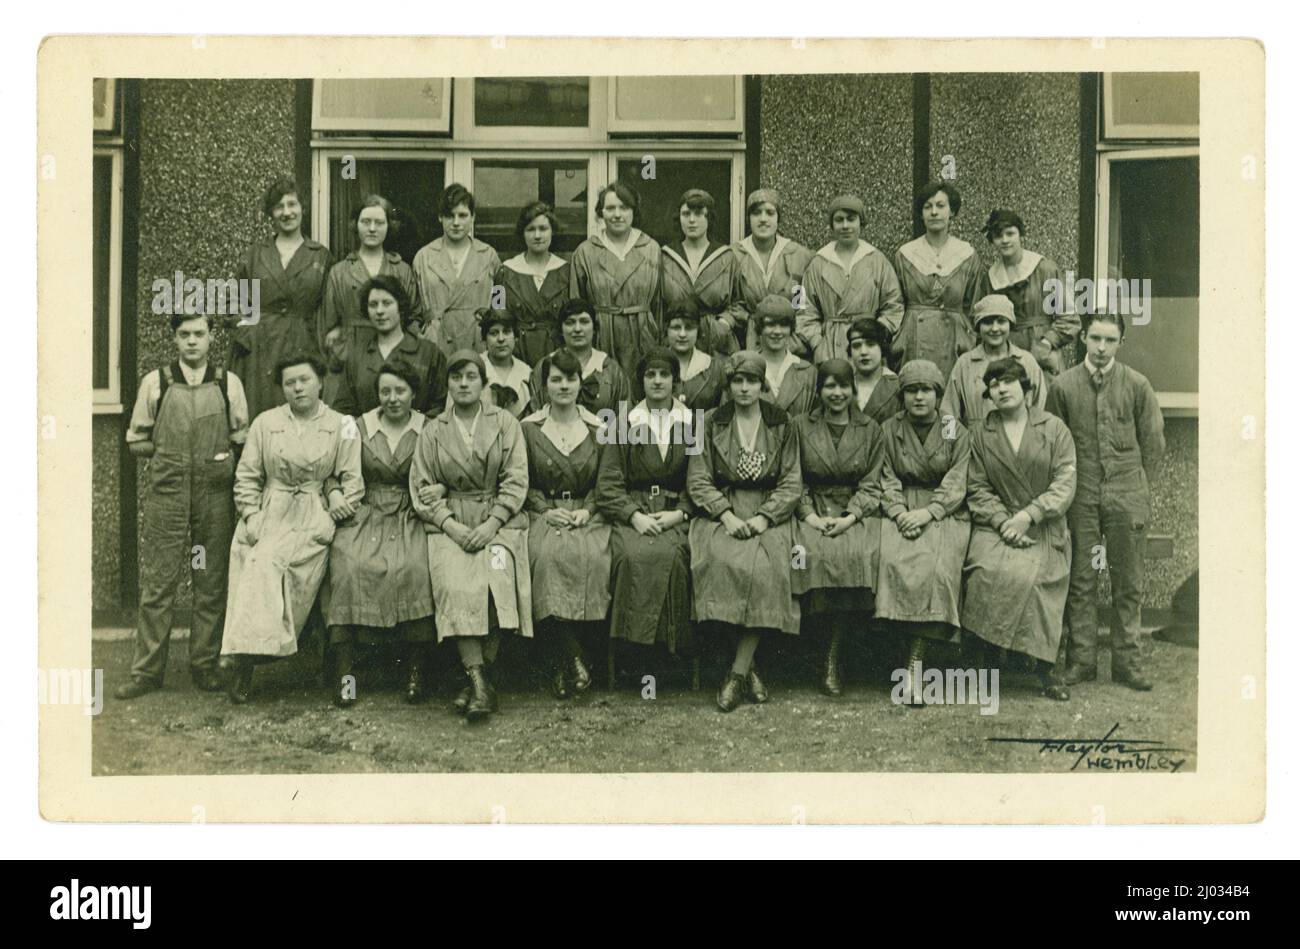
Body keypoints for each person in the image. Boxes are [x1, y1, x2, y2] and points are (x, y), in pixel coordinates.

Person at [115, 313, 250, 700]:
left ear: (210, 339)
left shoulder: (228, 383)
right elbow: (136, 440)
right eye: (184, 334)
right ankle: (146, 672)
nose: (192, 341)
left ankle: (204, 664)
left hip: (213, 497)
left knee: (208, 579)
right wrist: (170, 456)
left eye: (199, 334)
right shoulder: (156, 382)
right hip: (169, 495)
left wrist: (220, 461)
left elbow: (242, 437)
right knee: (159, 582)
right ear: (174, 339)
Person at [220, 353, 363, 704]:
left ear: (320, 382)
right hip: (273, 509)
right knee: (259, 561)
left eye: (304, 380)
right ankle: (245, 662)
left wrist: (333, 513)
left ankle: (264, 655)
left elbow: (353, 481)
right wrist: (252, 516)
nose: (297, 388)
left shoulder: (342, 424)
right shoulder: (265, 423)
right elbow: (247, 477)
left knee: (309, 568)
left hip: (316, 512)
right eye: (289, 383)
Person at [410, 350, 533, 721]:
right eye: (456, 377)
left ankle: (478, 681)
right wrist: (452, 525)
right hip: (451, 527)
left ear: (483, 383)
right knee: (458, 584)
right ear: (448, 384)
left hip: (498, 523)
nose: (463, 384)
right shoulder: (434, 429)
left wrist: (492, 523)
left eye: (470, 377)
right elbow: (421, 485)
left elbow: (516, 477)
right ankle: (480, 682)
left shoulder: (505, 423)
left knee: (498, 577)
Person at [1045, 312, 1165, 691]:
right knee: (1081, 577)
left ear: (1120, 343)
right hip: (1081, 494)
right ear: (1082, 337)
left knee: (1127, 579)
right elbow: (1053, 443)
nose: (1101, 347)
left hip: (1126, 493)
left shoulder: (1137, 384)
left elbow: (1154, 443)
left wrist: (1139, 490)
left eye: (1109, 340)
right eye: (1095, 338)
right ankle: (1080, 660)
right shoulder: (1063, 386)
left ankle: (1128, 661)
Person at [688, 351, 802, 712]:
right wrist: (726, 515)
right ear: (729, 385)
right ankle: (748, 668)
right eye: (737, 381)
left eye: (751, 381)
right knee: (717, 562)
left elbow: (791, 481)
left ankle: (736, 673)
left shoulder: (782, 422)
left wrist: (765, 518)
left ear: (762, 385)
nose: (744, 388)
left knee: (768, 569)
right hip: (723, 510)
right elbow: (698, 477)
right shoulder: (708, 423)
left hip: (769, 513)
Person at [962, 357, 1077, 702]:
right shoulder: (982, 434)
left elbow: (1065, 480)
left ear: (1026, 389)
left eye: (1008, 381)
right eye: (994, 384)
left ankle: (1045, 666)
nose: (1001, 389)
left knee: (1039, 578)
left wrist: (1029, 515)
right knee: (984, 571)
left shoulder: (1054, 428)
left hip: (1042, 524)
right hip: (995, 526)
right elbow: (977, 487)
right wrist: (1002, 521)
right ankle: (983, 663)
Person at [325, 363, 436, 707]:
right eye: (385, 391)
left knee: (417, 567)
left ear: (413, 394)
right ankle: (346, 674)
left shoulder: (429, 428)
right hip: (366, 509)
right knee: (347, 566)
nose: (392, 398)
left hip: (410, 511)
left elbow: (447, 467)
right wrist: (334, 493)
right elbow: (331, 470)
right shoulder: (356, 427)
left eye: (400, 391)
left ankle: (416, 671)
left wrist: (440, 487)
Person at [875, 360, 971, 706]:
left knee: (939, 567)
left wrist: (930, 512)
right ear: (902, 396)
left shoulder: (950, 428)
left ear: (937, 394)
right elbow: (884, 475)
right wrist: (899, 511)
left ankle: (915, 663)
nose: (919, 397)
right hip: (899, 508)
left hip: (943, 511)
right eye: (912, 391)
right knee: (889, 558)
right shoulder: (889, 429)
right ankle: (896, 654)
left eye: (926, 390)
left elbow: (958, 476)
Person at [596, 349, 697, 672]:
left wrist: (680, 513)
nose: (657, 381)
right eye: (650, 375)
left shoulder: (691, 421)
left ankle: (672, 650)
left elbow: (701, 478)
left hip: (673, 513)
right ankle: (632, 652)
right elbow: (608, 485)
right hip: (634, 513)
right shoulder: (624, 422)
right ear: (641, 381)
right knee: (628, 556)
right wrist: (633, 516)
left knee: (678, 556)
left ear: (674, 381)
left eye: (664, 375)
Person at [520, 351, 612, 698]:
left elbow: (607, 481)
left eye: (570, 379)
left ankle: (567, 663)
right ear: (544, 386)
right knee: (543, 557)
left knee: (594, 558)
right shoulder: (528, 428)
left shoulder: (599, 427)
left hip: (589, 514)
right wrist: (544, 510)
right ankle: (570, 658)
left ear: (579, 384)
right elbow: (521, 481)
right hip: (543, 513)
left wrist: (588, 510)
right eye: (556, 379)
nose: (563, 386)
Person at [791, 358, 885, 696]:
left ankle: (834, 654)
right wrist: (810, 517)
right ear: (819, 390)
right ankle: (813, 653)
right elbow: (793, 478)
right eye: (829, 386)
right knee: (807, 554)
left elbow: (873, 484)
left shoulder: (871, 429)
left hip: (853, 511)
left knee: (859, 553)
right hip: (811, 509)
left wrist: (850, 517)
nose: (837, 393)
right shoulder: (800, 426)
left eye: (843, 386)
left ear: (853, 389)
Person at [227, 175, 333, 419]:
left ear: (302, 209)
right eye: (279, 206)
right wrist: (247, 331)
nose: (287, 212)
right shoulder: (256, 254)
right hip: (260, 350)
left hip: (304, 344)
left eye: (292, 204)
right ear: (271, 214)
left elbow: (328, 307)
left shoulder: (320, 256)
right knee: (260, 417)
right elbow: (234, 300)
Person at [569, 181, 661, 383]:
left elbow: (659, 304)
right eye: (610, 208)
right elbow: (576, 305)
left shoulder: (651, 249)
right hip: (603, 335)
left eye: (624, 208)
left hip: (642, 335)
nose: (617, 214)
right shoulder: (586, 252)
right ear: (600, 213)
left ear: (633, 211)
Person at [796, 194, 904, 364]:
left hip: (867, 346)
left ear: (861, 222)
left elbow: (895, 305)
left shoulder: (878, 260)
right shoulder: (816, 263)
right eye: (839, 220)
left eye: (851, 219)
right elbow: (801, 308)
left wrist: (877, 335)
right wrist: (817, 343)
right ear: (832, 225)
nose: (845, 225)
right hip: (829, 347)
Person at [975, 209, 1081, 379]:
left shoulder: (1044, 269)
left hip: (1042, 353)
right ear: (992, 240)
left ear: (1020, 234)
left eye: (1010, 233)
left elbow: (1069, 318)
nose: (1005, 240)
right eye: (998, 235)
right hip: (1005, 355)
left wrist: (1046, 343)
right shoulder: (990, 278)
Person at [892, 181, 981, 380]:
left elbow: (974, 305)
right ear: (921, 214)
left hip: (954, 343)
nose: (934, 212)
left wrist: (968, 337)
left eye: (941, 206)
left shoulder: (967, 254)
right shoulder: (905, 254)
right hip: (914, 340)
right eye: (927, 207)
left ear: (952, 212)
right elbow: (896, 304)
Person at [319, 194, 424, 360]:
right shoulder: (339, 272)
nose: (372, 229)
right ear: (356, 224)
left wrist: (404, 349)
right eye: (366, 222)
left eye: (379, 223)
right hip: (350, 356)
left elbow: (415, 319)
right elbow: (328, 324)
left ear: (389, 225)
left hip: (393, 356)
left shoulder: (402, 270)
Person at [331, 274, 448, 418]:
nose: (379, 311)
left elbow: (441, 405)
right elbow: (344, 410)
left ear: (400, 306)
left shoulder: (428, 353)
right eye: (373, 305)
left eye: (387, 303)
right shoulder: (357, 356)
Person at [413, 184, 502, 356]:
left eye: (462, 216)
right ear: (440, 217)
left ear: (473, 217)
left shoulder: (489, 256)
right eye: (449, 216)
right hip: (436, 341)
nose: (456, 223)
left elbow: (500, 304)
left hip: (476, 339)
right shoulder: (423, 257)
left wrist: (491, 322)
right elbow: (414, 309)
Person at [659, 188, 744, 357]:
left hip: (716, 342)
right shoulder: (665, 256)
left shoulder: (726, 257)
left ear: (709, 218)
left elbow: (740, 302)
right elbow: (657, 304)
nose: (691, 220)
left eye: (699, 214)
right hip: (677, 338)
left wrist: (724, 323)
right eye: (686, 214)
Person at [940, 294, 1046, 426]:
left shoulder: (1026, 361)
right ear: (978, 326)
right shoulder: (965, 364)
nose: (995, 328)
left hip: (1020, 441)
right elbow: (948, 412)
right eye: (988, 322)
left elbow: (1041, 407)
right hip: (975, 442)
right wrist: (952, 444)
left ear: (1010, 324)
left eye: (1001, 321)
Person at [730, 188, 814, 352]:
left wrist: (792, 341)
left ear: (778, 218)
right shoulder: (734, 255)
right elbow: (732, 305)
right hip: (746, 346)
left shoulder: (798, 257)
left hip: (789, 345)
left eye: (770, 213)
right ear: (748, 218)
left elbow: (801, 305)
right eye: (756, 213)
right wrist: (749, 320)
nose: (763, 219)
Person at [493, 201, 570, 366]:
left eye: (543, 229)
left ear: (553, 231)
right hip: (517, 356)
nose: (537, 235)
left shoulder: (567, 272)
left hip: (558, 357)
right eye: (530, 229)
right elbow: (496, 317)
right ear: (522, 233)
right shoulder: (503, 272)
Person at [528, 300, 631, 416]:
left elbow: (623, 419)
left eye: (584, 322)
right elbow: (534, 415)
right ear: (561, 329)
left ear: (594, 328)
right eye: (570, 322)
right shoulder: (545, 367)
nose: (577, 329)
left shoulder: (611, 370)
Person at [750, 296, 816, 417]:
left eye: (784, 325)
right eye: (770, 325)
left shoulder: (808, 372)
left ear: (791, 329)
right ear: (760, 328)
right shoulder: (746, 367)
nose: (777, 331)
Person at [665, 306, 727, 412]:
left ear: (698, 331)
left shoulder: (714, 368)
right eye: (676, 328)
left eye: (689, 328)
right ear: (666, 330)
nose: (682, 334)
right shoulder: (653, 366)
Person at [846, 318, 902, 424]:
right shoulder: (842, 386)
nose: (863, 352)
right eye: (856, 346)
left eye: (870, 344)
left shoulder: (897, 387)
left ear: (882, 347)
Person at [479, 309, 532, 417]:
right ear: (485, 339)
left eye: (507, 332)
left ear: (516, 337)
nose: (501, 339)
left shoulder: (526, 373)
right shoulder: (474, 368)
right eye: (494, 333)